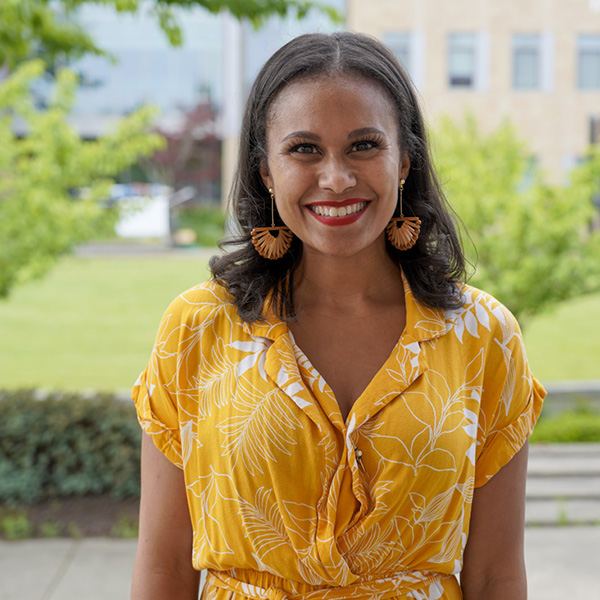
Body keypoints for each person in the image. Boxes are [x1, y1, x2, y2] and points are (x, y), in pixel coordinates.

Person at [131, 32, 545, 600]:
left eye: (364, 146)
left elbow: (496, 574)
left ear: (404, 160)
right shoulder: (198, 328)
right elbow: (165, 568)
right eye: (304, 149)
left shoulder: (483, 336)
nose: (336, 178)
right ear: (266, 171)